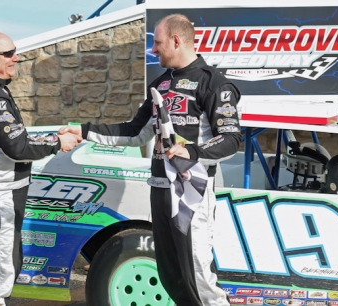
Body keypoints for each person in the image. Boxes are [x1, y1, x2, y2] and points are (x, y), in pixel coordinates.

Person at [60, 14, 241, 306]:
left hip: (191, 192)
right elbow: (134, 132)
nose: (153, 50)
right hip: (160, 189)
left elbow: (232, 140)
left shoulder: (214, 84)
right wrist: (83, 131)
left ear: (176, 40)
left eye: (157, 43)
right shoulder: (161, 84)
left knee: (198, 275)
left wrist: (192, 151)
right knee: (171, 275)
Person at [0, 30, 81, 306]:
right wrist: (58, 143)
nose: (16, 58)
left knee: (4, 263)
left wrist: (50, 139)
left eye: (15, 52)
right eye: (8, 54)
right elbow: (18, 148)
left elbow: (9, 138)